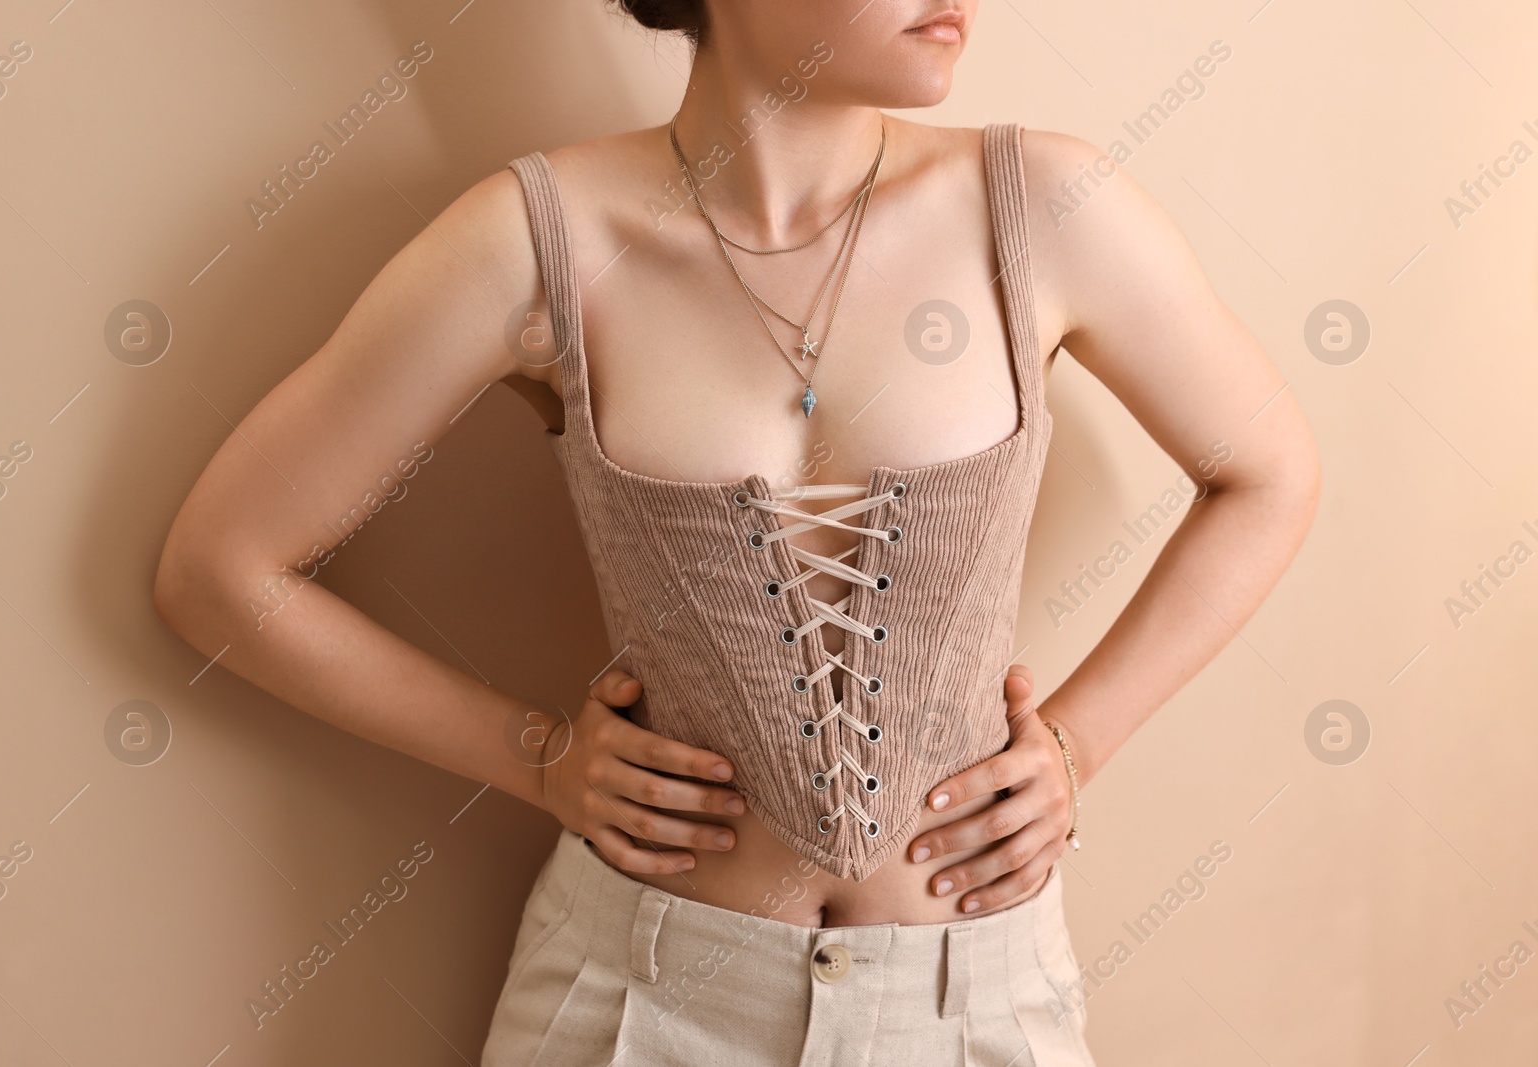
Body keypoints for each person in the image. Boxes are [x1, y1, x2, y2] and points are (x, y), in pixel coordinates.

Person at [153, 1, 1321, 1062]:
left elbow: (1268, 473)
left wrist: (1077, 743)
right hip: (638, 1004)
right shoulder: (535, 238)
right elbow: (220, 569)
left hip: (971, 1006)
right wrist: (536, 756)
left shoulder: (1046, 207)